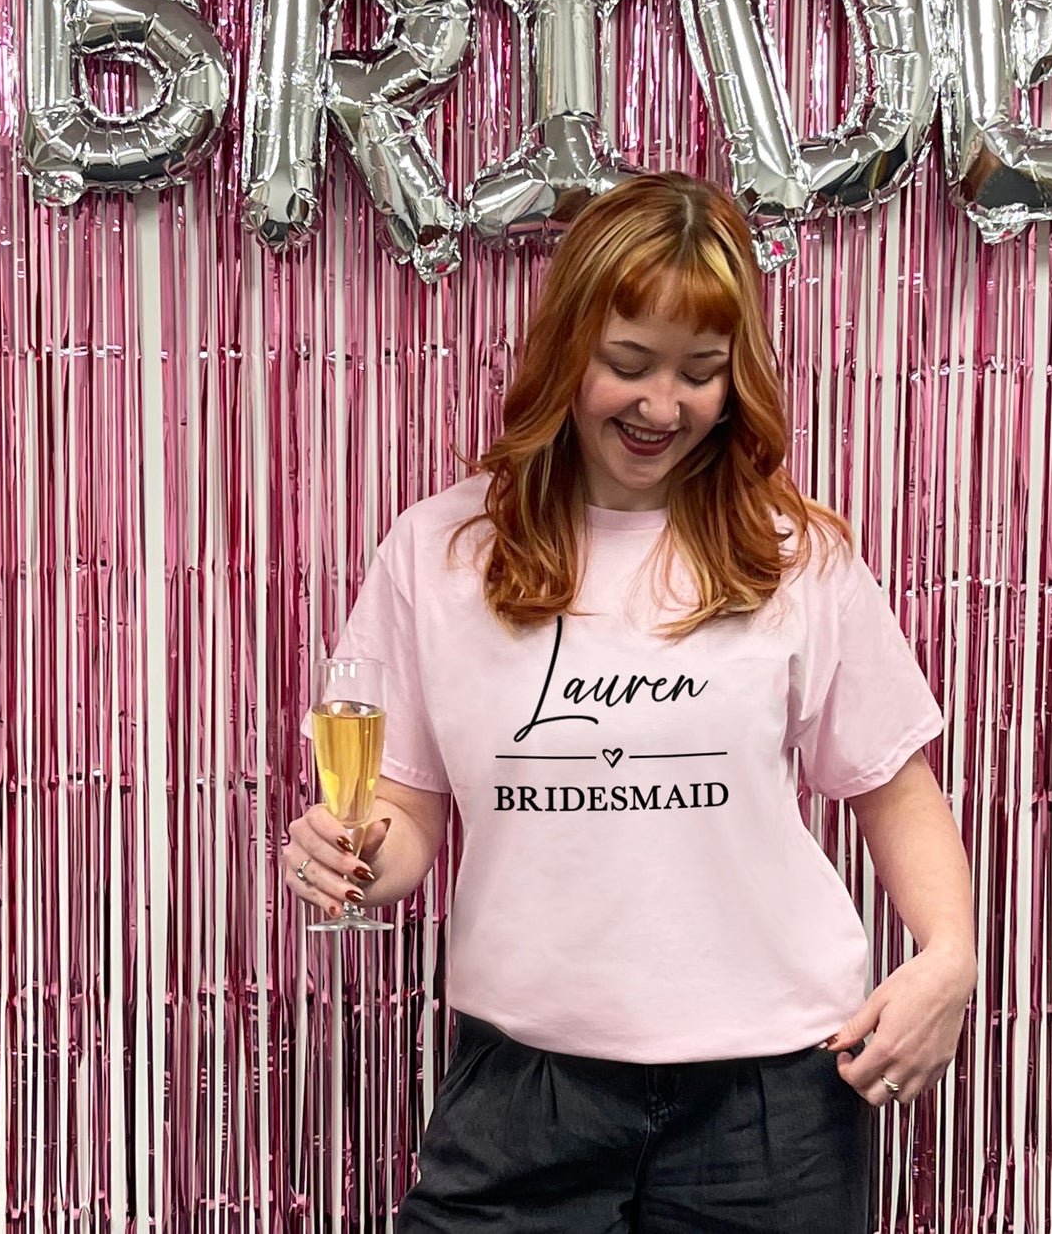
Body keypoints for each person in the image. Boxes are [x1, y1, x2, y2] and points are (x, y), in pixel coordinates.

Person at [282, 171, 976, 1233]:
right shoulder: (438, 551)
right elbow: (412, 812)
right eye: (628, 364)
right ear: (567, 348)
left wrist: (948, 955)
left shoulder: (796, 553)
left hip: (773, 1098)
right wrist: (355, 851)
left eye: (700, 373)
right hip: (525, 1088)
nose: (663, 407)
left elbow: (889, 783)